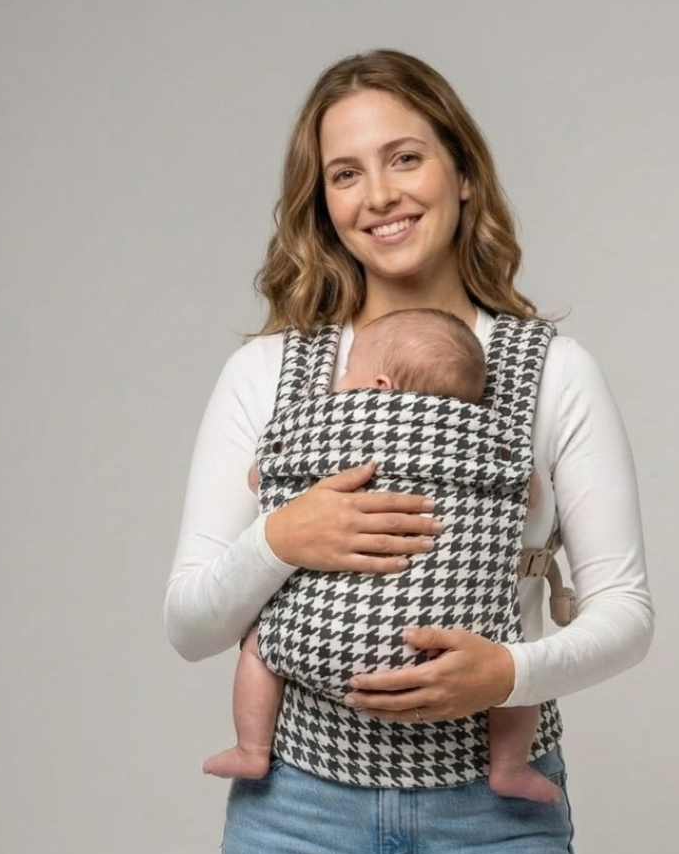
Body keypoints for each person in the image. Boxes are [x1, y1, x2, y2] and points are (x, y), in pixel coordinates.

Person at [165, 48, 653, 854]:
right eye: (345, 173)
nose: (379, 195)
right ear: (322, 202)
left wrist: (507, 672)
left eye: (405, 158)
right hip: (298, 826)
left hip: (494, 829)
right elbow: (191, 624)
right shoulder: (266, 373)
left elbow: (625, 612)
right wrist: (281, 538)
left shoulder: (552, 372)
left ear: (462, 171)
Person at [201, 306, 561, 804]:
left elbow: (260, 478)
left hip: (321, 638)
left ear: (379, 385)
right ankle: (509, 766)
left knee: (261, 648)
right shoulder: (494, 440)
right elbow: (530, 496)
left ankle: (251, 748)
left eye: (348, 372)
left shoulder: (322, 427)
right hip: (452, 647)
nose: (340, 383)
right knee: (515, 669)